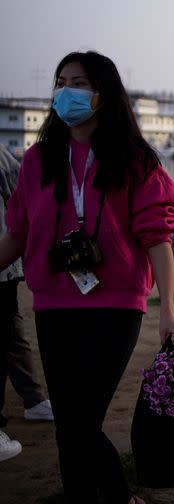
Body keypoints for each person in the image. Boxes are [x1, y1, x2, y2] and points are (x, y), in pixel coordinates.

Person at [0, 51, 174, 504]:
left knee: (80, 424)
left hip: (117, 304)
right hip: (54, 304)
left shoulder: (135, 159)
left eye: (78, 82)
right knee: (70, 428)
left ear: (103, 93)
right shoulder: (38, 161)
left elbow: (158, 237)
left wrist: (167, 308)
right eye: (60, 82)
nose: (66, 91)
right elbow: (17, 232)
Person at [1, 144, 54, 430]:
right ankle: (34, 399)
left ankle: (33, 400)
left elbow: (21, 199)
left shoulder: (2, 157)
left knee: (10, 330)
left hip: (4, 265)